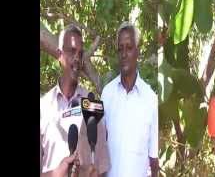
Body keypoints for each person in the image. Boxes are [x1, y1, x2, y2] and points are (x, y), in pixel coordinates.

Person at [40, 24, 110, 177]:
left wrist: (93, 173)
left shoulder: (91, 104)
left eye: (80, 53)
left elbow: (102, 169)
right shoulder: (43, 107)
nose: (77, 58)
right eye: (72, 51)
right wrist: (56, 174)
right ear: (59, 55)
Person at [101, 21, 159, 177]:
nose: (124, 54)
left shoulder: (150, 99)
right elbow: (99, 149)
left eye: (129, 48)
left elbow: (153, 160)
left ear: (138, 52)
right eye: (120, 49)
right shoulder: (107, 94)